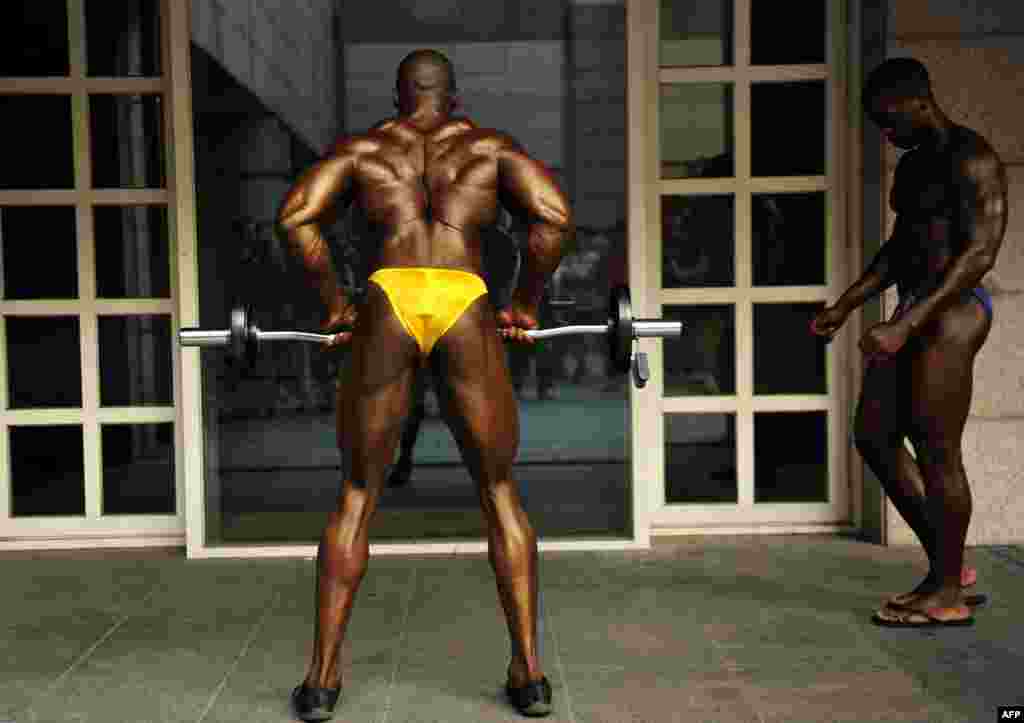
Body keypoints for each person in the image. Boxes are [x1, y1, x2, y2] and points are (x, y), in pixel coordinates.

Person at [276, 49, 571, 719]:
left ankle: (321, 683)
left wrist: (336, 305)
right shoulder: (488, 147)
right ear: (453, 96)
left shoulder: (367, 149)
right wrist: (524, 303)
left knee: (357, 493)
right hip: (464, 293)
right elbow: (553, 217)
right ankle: (529, 675)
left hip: (391, 292)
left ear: (399, 95)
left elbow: (295, 218)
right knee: (498, 489)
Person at [810, 57, 1007, 627]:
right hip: (916, 306)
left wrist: (906, 323)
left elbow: (980, 253)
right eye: (879, 124)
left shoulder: (973, 158)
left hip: (953, 313)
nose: (886, 133)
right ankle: (949, 566)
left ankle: (945, 594)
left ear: (920, 101)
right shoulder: (915, 165)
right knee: (874, 435)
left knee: (937, 449)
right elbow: (900, 249)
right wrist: (847, 304)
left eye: (890, 120)